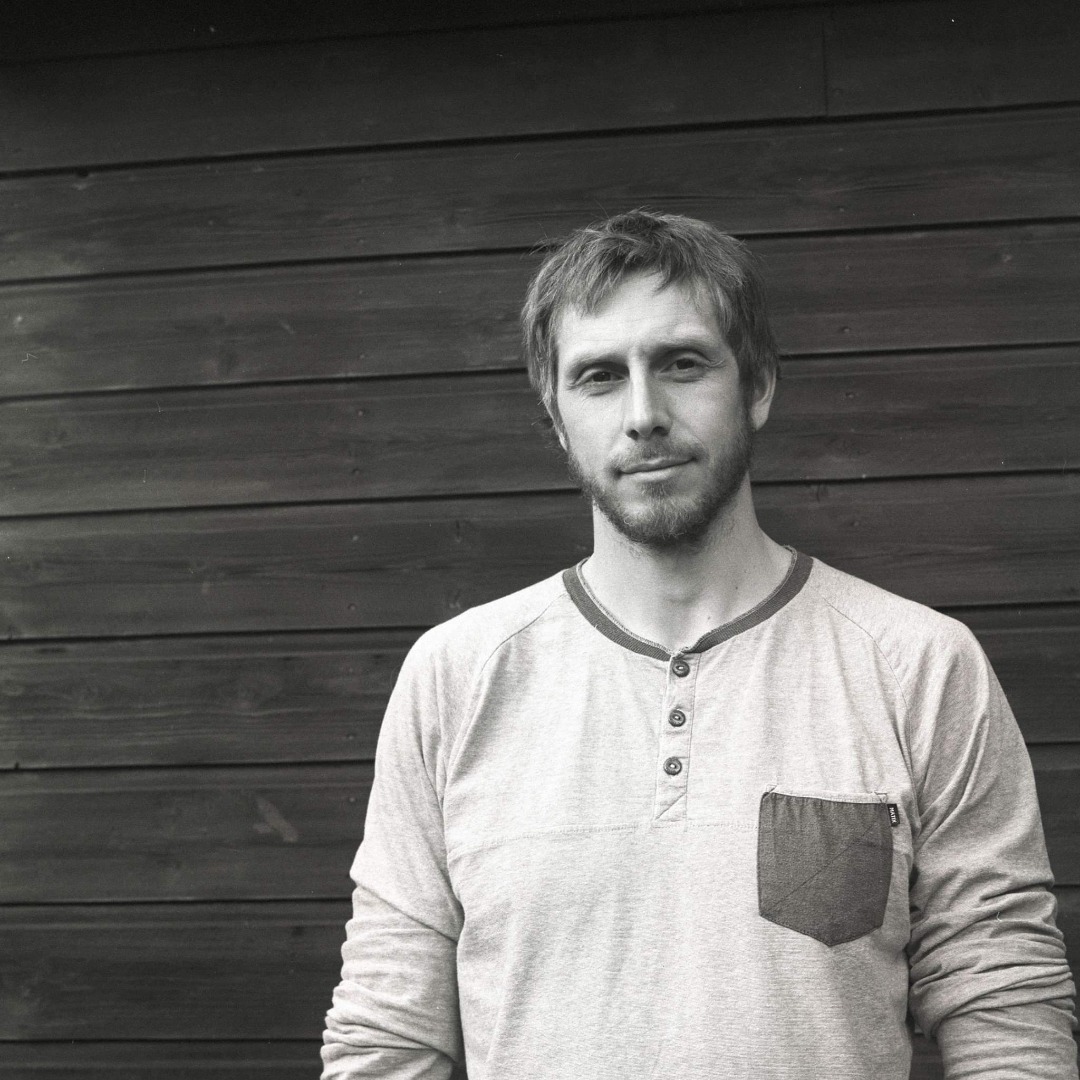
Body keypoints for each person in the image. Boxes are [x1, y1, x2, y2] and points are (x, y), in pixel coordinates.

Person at [321, 210, 1077, 1079]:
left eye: (682, 364)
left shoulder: (918, 666)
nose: (644, 415)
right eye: (600, 377)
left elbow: (1005, 1012)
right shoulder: (458, 677)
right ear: (557, 417)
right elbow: (386, 1039)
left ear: (757, 386)